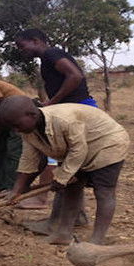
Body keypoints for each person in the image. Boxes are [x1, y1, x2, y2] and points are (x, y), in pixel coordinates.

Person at [0, 96, 129, 246]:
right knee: (71, 189)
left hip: (107, 144)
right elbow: (29, 159)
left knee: (104, 191)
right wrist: (18, 188)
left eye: (16, 125)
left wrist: (61, 178)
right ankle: (63, 233)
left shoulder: (64, 120)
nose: (15, 130)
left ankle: (97, 241)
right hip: (76, 150)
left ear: (31, 115)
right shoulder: (27, 130)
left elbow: (78, 150)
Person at [15, 28, 98, 210]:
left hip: (77, 111)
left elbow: (75, 76)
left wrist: (52, 103)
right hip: (74, 110)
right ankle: (74, 215)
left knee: (57, 157)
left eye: (22, 46)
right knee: (69, 165)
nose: (21, 51)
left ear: (35, 40)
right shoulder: (47, 59)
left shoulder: (51, 54)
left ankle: (44, 201)